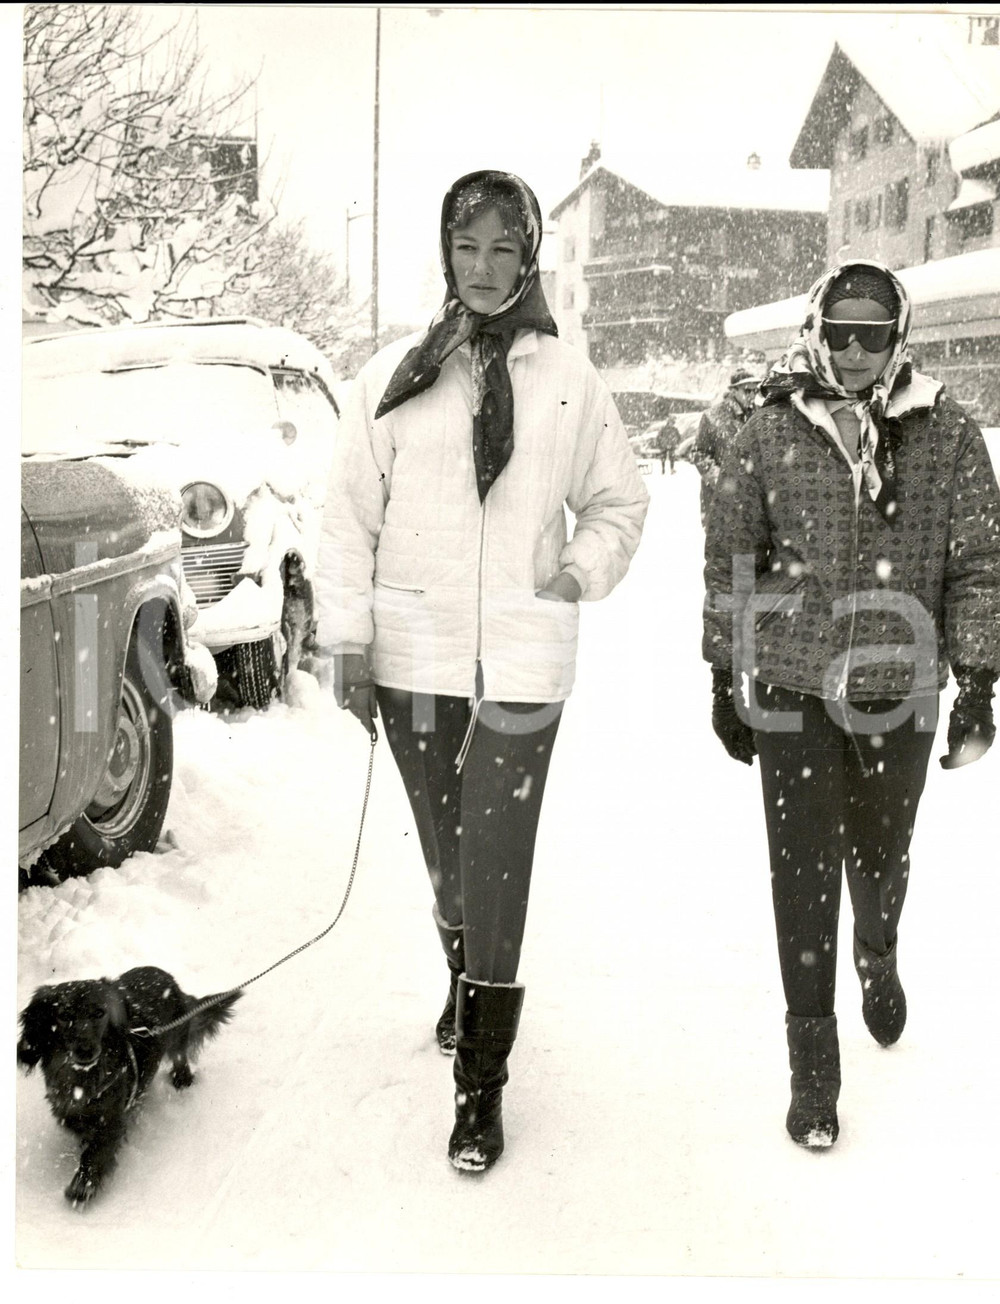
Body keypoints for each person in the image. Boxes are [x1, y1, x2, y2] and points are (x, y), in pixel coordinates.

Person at [315, 170, 649, 1173]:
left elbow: (620, 501)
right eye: (469, 246)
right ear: (446, 252)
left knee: (496, 864)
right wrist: (348, 639)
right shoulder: (392, 377)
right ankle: (466, 981)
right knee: (448, 859)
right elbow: (347, 518)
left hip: (522, 664)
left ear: (530, 255)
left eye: (505, 248)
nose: (485, 266)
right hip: (414, 660)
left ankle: (480, 1085)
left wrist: (574, 573)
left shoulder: (569, 379)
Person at [702, 259, 1000, 1149]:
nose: (857, 349)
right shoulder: (769, 430)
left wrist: (979, 680)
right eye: (842, 332)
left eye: (874, 333)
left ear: (898, 335)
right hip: (791, 684)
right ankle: (813, 1069)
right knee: (800, 873)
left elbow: (978, 565)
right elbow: (731, 559)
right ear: (818, 332)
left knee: (879, 858)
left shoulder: (947, 432)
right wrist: (724, 672)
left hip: (898, 687)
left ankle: (878, 945)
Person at [689, 367, 761, 525]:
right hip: (720, 500)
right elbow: (698, 453)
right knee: (721, 537)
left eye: (755, 391)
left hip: (752, 499)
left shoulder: (759, 415)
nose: (752, 395)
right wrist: (720, 479)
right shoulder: (712, 416)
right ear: (733, 391)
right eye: (747, 390)